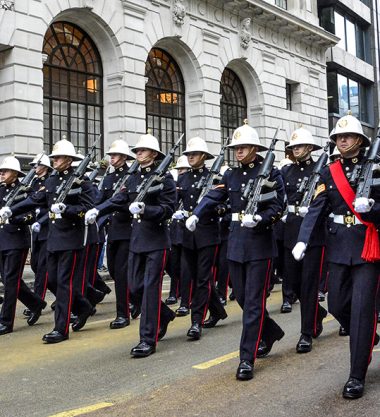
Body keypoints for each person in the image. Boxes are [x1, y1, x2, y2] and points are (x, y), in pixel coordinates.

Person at [186, 121, 285, 380]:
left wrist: (262, 220)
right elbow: (213, 197)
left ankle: (246, 358)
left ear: (254, 148)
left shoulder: (271, 174)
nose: (238, 151)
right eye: (236, 148)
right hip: (236, 244)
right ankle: (271, 331)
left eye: (242, 147)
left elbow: (278, 207)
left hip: (260, 246)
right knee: (241, 297)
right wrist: (196, 214)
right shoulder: (230, 175)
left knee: (253, 302)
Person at [292, 114, 380, 399]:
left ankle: (356, 376)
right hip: (339, 247)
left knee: (362, 310)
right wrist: (303, 239)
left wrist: (373, 209)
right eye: (338, 138)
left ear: (359, 140)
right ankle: (367, 335)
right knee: (338, 304)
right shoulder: (329, 172)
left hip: (367, 246)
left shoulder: (376, 167)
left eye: (347, 136)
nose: (342, 140)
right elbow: (317, 207)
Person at [86, 132, 176, 357]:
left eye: (142, 151)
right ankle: (163, 315)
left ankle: (147, 339)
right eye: (136, 151)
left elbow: (168, 209)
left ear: (154, 154)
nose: (138, 154)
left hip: (156, 241)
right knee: (135, 288)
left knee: (151, 289)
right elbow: (119, 199)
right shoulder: (133, 177)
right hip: (136, 240)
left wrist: (147, 210)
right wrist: (99, 209)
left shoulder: (165, 178)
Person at [1, 138, 94, 343]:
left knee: (63, 282)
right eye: (53, 157)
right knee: (51, 280)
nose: (54, 160)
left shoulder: (82, 181)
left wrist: (67, 210)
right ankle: (84, 307)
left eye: (58, 157)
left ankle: (61, 328)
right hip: (53, 238)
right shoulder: (51, 181)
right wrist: (11, 209)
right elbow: (33, 200)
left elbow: (87, 209)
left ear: (69, 160)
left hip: (71, 238)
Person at [281, 127, 328, 353]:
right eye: (293, 146)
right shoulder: (286, 171)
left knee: (309, 285)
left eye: (299, 146)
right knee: (294, 283)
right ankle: (317, 313)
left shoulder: (321, 171)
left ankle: (306, 333)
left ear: (310, 148)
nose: (295, 149)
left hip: (313, 235)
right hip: (291, 231)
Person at [176, 137, 227, 340]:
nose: (190, 157)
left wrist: (214, 209)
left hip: (207, 233)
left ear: (204, 157)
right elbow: (176, 201)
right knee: (194, 276)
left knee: (203, 278)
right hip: (188, 234)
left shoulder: (214, 177)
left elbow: (220, 203)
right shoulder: (183, 178)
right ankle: (217, 311)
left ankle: (196, 320)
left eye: (194, 154)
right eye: (188, 154)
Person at [0, 156, 47, 335]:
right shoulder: (1, 190)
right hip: (2, 240)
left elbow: (31, 215)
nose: (2, 174)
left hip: (16, 240)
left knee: (11, 282)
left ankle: (6, 321)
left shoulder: (24, 191)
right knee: (8, 279)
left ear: (15, 174)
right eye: (1, 171)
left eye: (5, 171)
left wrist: (13, 217)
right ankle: (36, 303)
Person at [165, 155, 191, 305]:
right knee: (173, 265)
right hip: (175, 230)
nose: (181, 172)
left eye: (183, 169)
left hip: (187, 230)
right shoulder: (176, 185)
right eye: (179, 169)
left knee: (185, 266)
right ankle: (174, 292)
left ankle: (185, 295)